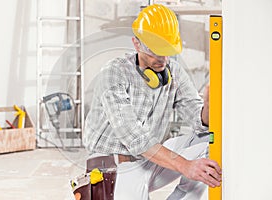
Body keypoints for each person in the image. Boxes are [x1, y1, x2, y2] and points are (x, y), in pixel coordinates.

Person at [83, 4, 222, 200]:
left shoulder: (173, 72)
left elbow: (198, 121)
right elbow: (133, 137)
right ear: (136, 44)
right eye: (155, 51)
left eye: (167, 51)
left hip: (149, 162)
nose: (162, 59)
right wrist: (186, 166)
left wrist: (209, 105)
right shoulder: (114, 72)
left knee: (209, 141)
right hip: (115, 170)